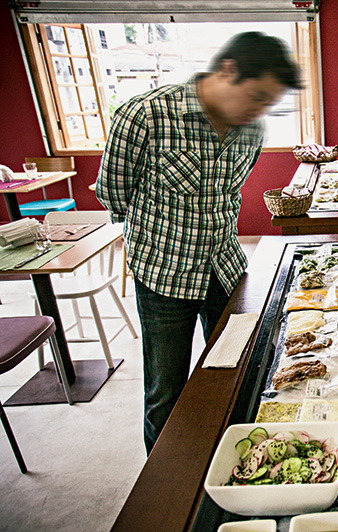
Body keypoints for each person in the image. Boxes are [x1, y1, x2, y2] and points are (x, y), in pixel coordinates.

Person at [95, 32, 301, 454]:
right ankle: (164, 487)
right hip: (163, 272)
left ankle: (225, 458)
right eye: (257, 95)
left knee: (232, 369)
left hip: (225, 267)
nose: (259, 110)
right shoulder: (146, 114)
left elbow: (232, 193)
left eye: (268, 102)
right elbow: (113, 192)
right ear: (227, 70)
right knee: (166, 392)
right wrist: (155, 234)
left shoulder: (251, 130)